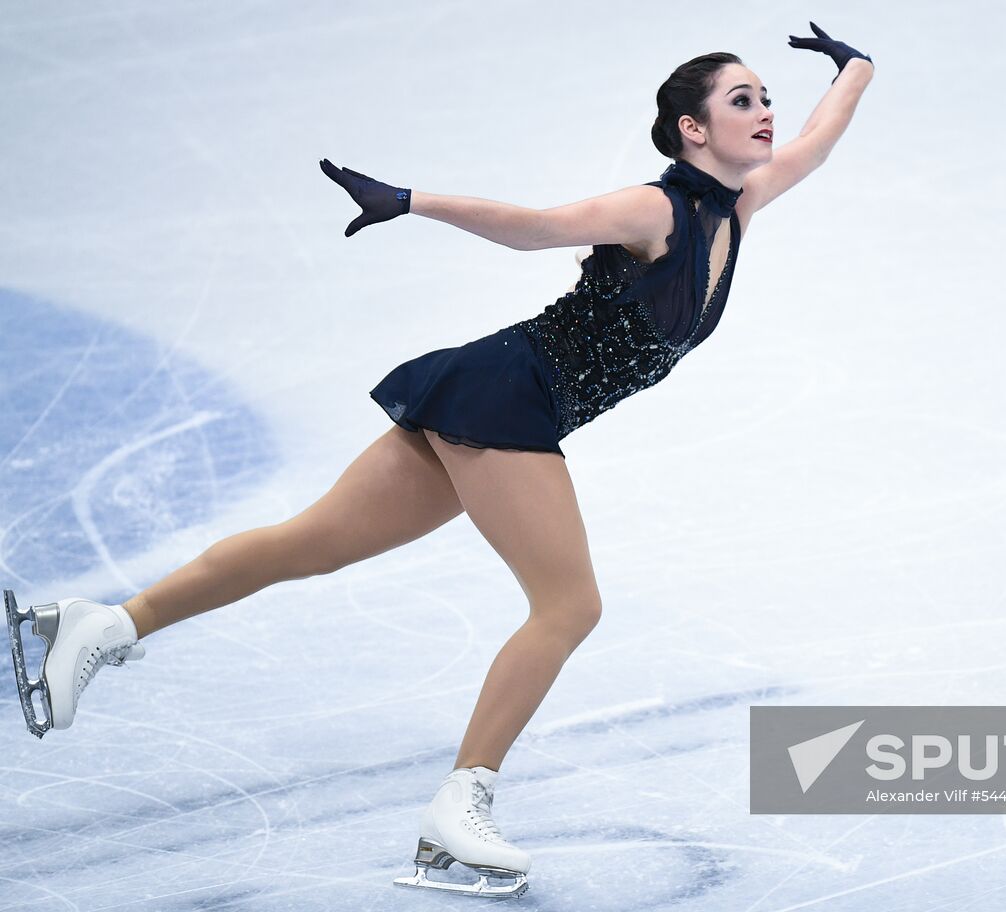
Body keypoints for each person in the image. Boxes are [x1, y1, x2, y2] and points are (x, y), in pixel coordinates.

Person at [4, 23, 874, 899]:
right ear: (693, 129)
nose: (766, 113)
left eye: (766, 98)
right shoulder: (657, 209)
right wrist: (412, 199)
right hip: (510, 401)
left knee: (307, 545)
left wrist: (855, 68)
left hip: (500, 398)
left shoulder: (741, 205)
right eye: (743, 100)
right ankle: (459, 812)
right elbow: (536, 228)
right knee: (569, 606)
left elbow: (818, 141)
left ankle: (101, 625)